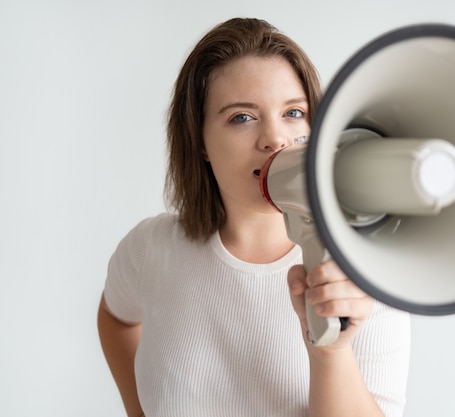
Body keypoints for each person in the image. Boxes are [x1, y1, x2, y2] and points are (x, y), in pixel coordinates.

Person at [97, 17, 411, 417]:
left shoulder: (366, 274)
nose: (275, 138)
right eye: (241, 117)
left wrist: (331, 351)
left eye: (294, 112)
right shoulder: (150, 248)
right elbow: (115, 318)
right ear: (200, 141)